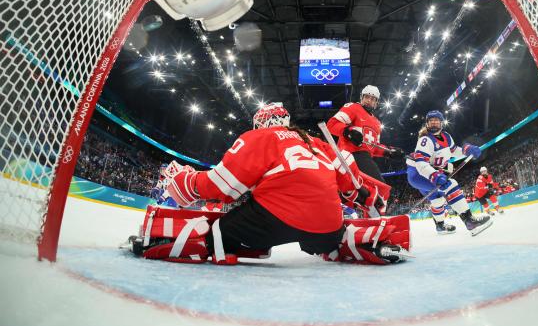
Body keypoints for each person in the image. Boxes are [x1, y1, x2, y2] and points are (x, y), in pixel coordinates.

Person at [126, 103, 410, 265]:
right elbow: (351, 184)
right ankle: (339, 243)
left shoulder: (259, 138)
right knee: (327, 230)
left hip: (275, 220)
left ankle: (183, 244)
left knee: (219, 232)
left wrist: (185, 181)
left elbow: (222, 188)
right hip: (326, 226)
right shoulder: (318, 143)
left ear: (260, 122)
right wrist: (367, 195)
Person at [405, 110, 492, 236]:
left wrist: (466, 150)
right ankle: (470, 221)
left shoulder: (446, 137)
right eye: (431, 121)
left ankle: (440, 226)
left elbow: (453, 150)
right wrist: (434, 176)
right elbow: (420, 163)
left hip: (428, 172)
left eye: (437, 120)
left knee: (438, 200)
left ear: (442, 123)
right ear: (427, 124)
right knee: (451, 184)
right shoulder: (425, 140)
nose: (434, 123)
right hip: (418, 174)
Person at [327, 85, 404, 181]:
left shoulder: (377, 122)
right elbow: (332, 124)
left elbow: (374, 147)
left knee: (359, 193)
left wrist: (389, 152)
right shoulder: (353, 107)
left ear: (376, 102)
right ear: (361, 97)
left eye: (372, 99)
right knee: (378, 186)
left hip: (364, 157)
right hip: (350, 154)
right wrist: (348, 132)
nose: (369, 100)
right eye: (366, 97)